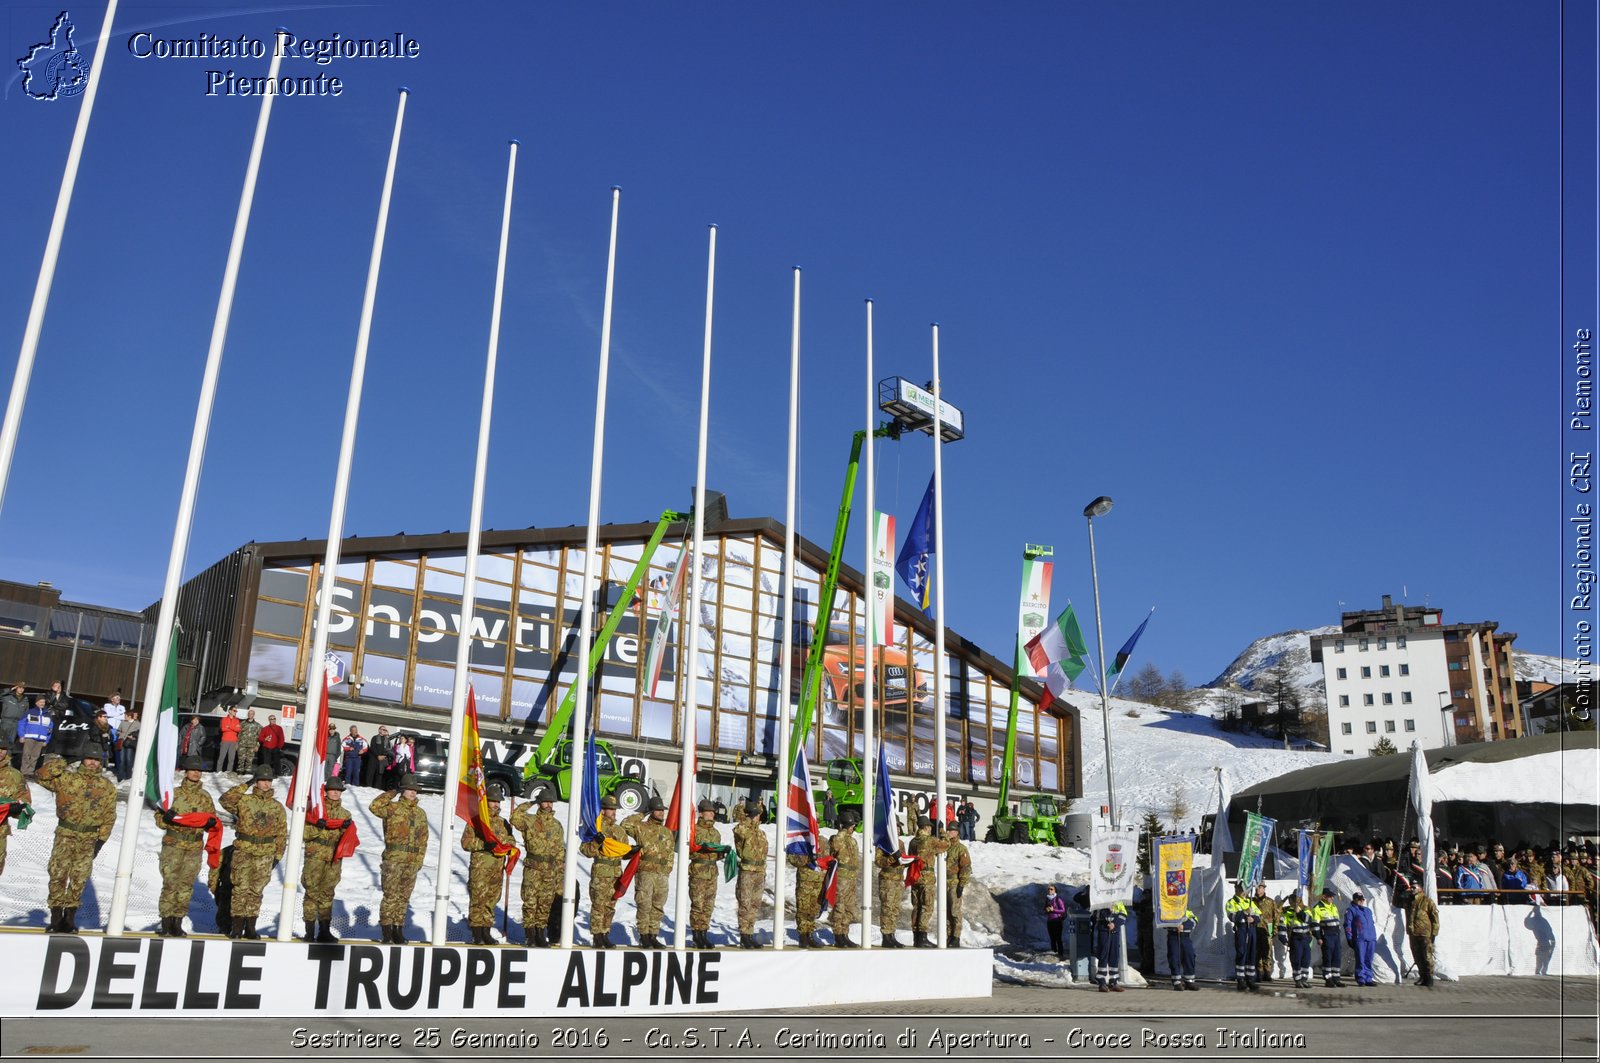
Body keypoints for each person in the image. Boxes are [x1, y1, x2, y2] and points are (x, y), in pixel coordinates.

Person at [36, 741, 117, 933]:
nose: (92, 763)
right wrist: (64, 761)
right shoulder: (67, 779)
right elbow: (41, 776)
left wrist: (101, 841)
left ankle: (70, 918)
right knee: (58, 874)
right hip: (65, 834)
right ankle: (56, 918)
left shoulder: (106, 786)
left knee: (79, 878)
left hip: (89, 837)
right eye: (89, 758)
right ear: (83, 759)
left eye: (96, 760)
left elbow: (109, 815)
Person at [219, 765, 287, 939]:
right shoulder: (244, 801)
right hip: (244, 851)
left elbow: (281, 833)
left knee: (256, 891)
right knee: (240, 889)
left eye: (269, 780)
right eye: (262, 780)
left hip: (265, 853)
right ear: (257, 781)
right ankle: (236, 927)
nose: (266, 784)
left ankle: (250, 927)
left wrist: (277, 856)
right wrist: (246, 784)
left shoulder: (277, 807)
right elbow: (225, 800)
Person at [154, 754, 217, 937]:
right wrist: (166, 819)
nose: (196, 773)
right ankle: (166, 922)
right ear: (186, 771)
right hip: (174, 845)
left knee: (186, 886)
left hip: (194, 847)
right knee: (170, 884)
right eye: (193, 770)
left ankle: (177, 921)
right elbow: (158, 818)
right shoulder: (173, 794)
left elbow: (211, 819)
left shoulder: (205, 797)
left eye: (199, 770)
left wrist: (210, 824)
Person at [371, 773, 429, 943]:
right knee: (390, 896)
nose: (413, 792)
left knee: (404, 897)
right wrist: (392, 793)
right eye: (409, 789)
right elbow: (374, 806)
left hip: (411, 861)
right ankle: (387, 931)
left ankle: (398, 929)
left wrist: (419, 860)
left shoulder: (420, 813)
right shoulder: (392, 808)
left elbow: (423, 839)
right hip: (393, 859)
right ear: (402, 790)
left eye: (415, 790)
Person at [302, 776, 356, 943]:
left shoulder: (345, 814)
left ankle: (324, 931)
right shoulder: (316, 811)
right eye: (333, 790)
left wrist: (345, 829)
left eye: (338, 790)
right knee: (312, 894)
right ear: (325, 792)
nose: (335, 793)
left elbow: (346, 840)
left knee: (327, 895)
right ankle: (309, 932)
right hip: (316, 857)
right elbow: (304, 834)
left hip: (333, 858)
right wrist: (318, 825)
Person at [510, 783, 565, 947]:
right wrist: (531, 803)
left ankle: (541, 933)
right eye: (545, 802)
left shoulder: (557, 825)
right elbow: (514, 817)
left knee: (545, 903)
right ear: (540, 803)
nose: (548, 805)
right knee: (530, 902)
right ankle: (530, 935)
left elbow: (560, 851)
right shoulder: (529, 820)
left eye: (550, 802)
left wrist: (560, 873)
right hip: (533, 867)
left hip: (550, 870)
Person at [461, 784, 513, 944]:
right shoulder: (476, 821)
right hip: (480, 868)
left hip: (496, 869)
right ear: (486, 802)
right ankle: (477, 933)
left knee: (492, 900)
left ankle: (486, 931)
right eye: (493, 801)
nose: (496, 804)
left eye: (498, 801)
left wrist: (508, 847)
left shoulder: (504, 823)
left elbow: (511, 840)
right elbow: (466, 842)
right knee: (478, 900)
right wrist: (483, 845)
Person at [578, 794, 629, 948]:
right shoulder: (595, 828)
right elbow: (585, 850)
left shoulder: (619, 830)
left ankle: (605, 933)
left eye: (614, 809)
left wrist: (632, 852)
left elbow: (624, 851)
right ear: (602, 810)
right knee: (598, 906)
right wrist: (595, 842)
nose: (613, 812)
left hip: (615, 873)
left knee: (610, 907)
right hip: (601, 873)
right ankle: (597, 935)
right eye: (609, 809)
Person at [625, 796, 675, 949]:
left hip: (661, 874)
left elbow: (670, 853)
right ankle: (644, 936)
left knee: (658, 906)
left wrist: (667, 870)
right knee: (644, 904)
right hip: (645, 872)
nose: (661, 813)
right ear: (652, 811)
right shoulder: (641, 827)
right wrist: (642, 814)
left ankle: (653, 935)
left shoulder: (667, 832)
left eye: (662, 810)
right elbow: (625, 824)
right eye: (658, 810)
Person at [688, 798, 724, 948]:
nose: (711, 815)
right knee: (698, 904)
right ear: (701, 814)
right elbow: (688, 852)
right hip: (699, 872)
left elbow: (717, 851)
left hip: (712, 872)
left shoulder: (715, 833)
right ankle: (696, 935)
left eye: (712, 812)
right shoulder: (693, 830)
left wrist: (722, 853)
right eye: (708, 812)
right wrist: (701, 850)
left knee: (708, 905)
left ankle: (704, 933)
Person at [733, 799, 768, 948]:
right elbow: (739, 829)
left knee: (754, 904)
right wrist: (748, 816)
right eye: (756, 815)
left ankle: (750, 933)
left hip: (759, 871)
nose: (758, 817)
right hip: (747, 871)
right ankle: (744, 935)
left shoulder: (761, 833)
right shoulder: (743, 829)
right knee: (745, 904)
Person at [908, 816, 947, 948]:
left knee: (917, 907)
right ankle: (922, 937)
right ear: (926, 828)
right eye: (930, 827)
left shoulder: (913, 842)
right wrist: (942, 831)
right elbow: (946, 845)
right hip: (927, 878)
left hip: (915, 877)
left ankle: (916, 937)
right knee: (926, 907)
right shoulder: (930, 840)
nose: (931, 829)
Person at [828, 807, 863, 948]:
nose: (853, 828)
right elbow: (835, 847)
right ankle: (838, 935)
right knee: (839, 907)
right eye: (851, 825)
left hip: (851, 879)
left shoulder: (852, 841)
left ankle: (844, 933)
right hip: (841, 878)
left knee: (849, 908)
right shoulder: (837, 838)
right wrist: (842, 830)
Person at [788, 830, 825, 949]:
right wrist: (807, 859)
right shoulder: (801, 840)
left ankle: (810, 934)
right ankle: (803, 936)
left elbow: (827, 858)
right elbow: (793, 859)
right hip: (805, 880)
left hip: (818, 880)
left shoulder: (823, 840)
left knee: (814, 908)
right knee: (803, 908)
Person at [0, 745, 33, 877]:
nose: (0, 752)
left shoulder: (15, 775)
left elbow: (26, 803)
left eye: (3, 748)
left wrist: (16, 809)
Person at [1225, 881, 1261, 991]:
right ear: (1236, 889)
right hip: (1241, 929)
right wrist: (1244, 912)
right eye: (1241, 889)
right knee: (1241, 953)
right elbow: (1232, 916)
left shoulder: (1249, 902)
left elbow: (1259, 915)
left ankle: (1250, 979)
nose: (1243, 892)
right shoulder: (1231, 902)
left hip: (1251, 930)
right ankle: (1240, 979)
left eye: (1244, 889)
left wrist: (1253, 918)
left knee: (1251, 953)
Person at [875, 837, 910, 948]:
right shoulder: (883, 842)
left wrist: (906, 862)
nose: (898, 830)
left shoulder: (900, 843)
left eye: (899, 827)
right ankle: (886, 936)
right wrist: (891, 859)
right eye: (896, 827)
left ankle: (892, 935)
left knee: (895, 909)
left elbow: (902, 858)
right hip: (888, 879)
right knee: (887, 907)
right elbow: (878, 861)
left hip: (898, 879)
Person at [943, 820, 972, 948]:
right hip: (945, 881)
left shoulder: (961, 848)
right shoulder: (945, 846)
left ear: (957, 832)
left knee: (955, 911)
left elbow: (966, 867)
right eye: (948, 830)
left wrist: (962, 884)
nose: (948, 832)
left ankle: (956, 936)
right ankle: (949, 935)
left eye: (951, 830)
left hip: (954, 882)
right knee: (947, 912)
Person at [1310, 887, 1345, 987]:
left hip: (1336, 936)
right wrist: (1318, 937)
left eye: (1332, 896)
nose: (1332, 898)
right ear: (1324, 896)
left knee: (1337, 957)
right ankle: (1328, 979)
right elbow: (1315, 925)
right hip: (1326, 936)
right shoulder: (1317, 908)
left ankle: (1336, 978)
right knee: (1328, 958)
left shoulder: (1333, 906)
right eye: (1330, 896)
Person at [1092, 901, 1128, 992]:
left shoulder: (1119, 901)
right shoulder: (1100, 898)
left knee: (1114, 955)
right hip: (1104, 930)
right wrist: (1106, 916)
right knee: (1104, 954)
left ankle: (1113, 982)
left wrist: (1115, 923)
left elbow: (1123, 914)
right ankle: (1101, 982)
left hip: (1114, 930)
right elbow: (1096, 914)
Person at [1407, 887, 1439, 987]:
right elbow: (1396, 902)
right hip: (1413, 932)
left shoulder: (1427, 901)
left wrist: (1434, 932)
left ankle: (1429, 977)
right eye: (1411, 886)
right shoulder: (1409, 900)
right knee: (1417, 956)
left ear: (1420, 888)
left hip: (1425, 933)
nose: (1412, 889)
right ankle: (1422, 976)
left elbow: (1435, 918)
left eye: (1414, 887)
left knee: (1427, 956)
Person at [1344, 891, 1378, 985]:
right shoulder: (1351, 910)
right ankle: (1361, 978)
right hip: (1360, 938)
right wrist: (1349, 937)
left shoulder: (1368, 910)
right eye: (1358, 899)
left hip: (1370, 938)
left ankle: (1368, 978)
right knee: (1360, 959)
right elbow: (1347, 924)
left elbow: (1371, 924)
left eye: (1362, 899)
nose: (1361, 901)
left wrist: (1374, 936)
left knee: (1369, 959)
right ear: (1354, 900)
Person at [1282, 894, 1315, 988]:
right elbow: (1282, 926)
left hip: (1305, 938)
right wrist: (1283, 939)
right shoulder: (1286, 912)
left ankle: (1304, 980)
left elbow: (1308, 920)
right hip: (1295, 939)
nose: (1296, 903)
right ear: (1291, 902)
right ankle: (1298, 980)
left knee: (1306, 960)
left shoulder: (1306, 910)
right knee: (1296, 960)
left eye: (1298, 901)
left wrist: (1300, 912)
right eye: (1294, 901)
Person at [1166, 907, 1200, 990]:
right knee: (1174, 958)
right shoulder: (1168, 911)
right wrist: (1175, 926)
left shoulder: (1188, 912)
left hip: (1185, 937)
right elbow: (1163, 922)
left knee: (1189, 957)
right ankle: (1176, 982)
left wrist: (1183, 926)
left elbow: (1194, 921)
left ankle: (1190, 981)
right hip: (1173, 936)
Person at [18, 695, 53, 777]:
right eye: (41, 702)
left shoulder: (48, 715)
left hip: (41, 739)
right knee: (26, 754)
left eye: (43, 702)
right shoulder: (30, 712)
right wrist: (21, 735)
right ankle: (24, 771)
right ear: (36, 702)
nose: (42, 704)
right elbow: (21, 723)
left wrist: (46, 740)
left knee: (35, 756)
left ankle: (30, 772)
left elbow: (50, 729)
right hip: (29, 737)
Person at [1253, 882, 1280, 982]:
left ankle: (1267, 973)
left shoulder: (1270, 902)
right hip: (1255, 930)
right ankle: (1259, 973)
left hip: (1266, 931)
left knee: (1267, 953)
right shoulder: (1251, 901)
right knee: (1257, 953)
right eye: (1256, 887)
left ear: (1264, 889)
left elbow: (1276, 916)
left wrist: (1275, 929)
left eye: (1260, 887)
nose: (1258, 889)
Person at [101, 692, 126, 778]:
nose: (118, 699)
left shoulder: (122, 707)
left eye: (119, 698)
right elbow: (108, 714)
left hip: (118, 729)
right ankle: (103, 764)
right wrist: (117, 714)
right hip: (109, 728)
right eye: (117, 698)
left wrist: (115, 715)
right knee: (106, 745)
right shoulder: (107, 705)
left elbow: (123, 717)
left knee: (117, 747)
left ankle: (117, 765)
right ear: (112, 699)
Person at [0, 681, 28, 757]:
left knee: (10, 744)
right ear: (16, 687)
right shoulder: (8, 696)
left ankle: (7, 762)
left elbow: (25, 715)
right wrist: (10, 689)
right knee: (2, 743)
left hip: (16, 724)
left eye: (23, 688)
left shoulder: (25, 700)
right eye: (19, 687)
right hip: (6, 722)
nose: (21, 689)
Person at [236, 708, 262, 774]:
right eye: (249, 713)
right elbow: (238, 734)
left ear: (254, 715)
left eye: (251, 714)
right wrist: (236, 743)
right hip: (242, 744)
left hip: (252, 745)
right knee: (241, 758)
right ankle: (240, 770)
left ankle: (247, 771)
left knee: (249, 759)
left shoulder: (258, 725)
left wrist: (257, 746)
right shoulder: (242, 723)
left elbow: (260, 737)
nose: (250, 715)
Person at [1044, 884, 1067, 958]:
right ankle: (1054, 952)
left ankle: (1060, 954)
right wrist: (1046, 910)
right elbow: (1044, 909)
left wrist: (1053, 910)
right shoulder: (1047, 899)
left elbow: (1063, 910)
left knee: (1058, 938)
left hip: (1057, 921)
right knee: (1052, 938)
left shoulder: (1058, 899)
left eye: (1051, 889)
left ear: (1055, 890)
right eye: (1049, 889)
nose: (1050, 890)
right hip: (1050, 921)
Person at [216, 707, 240, 774]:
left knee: (231, 759)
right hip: (225, 740)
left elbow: (238, 730)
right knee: (221, 757)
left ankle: (228, 772)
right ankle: (218, 772)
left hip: (233, 741)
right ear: (229, 711)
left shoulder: (237, 720)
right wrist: (233, 727)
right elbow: (223, 729)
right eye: (234, 710)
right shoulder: (224, 719)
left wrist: (229, 726)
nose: (235, 712)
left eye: (236, 711)